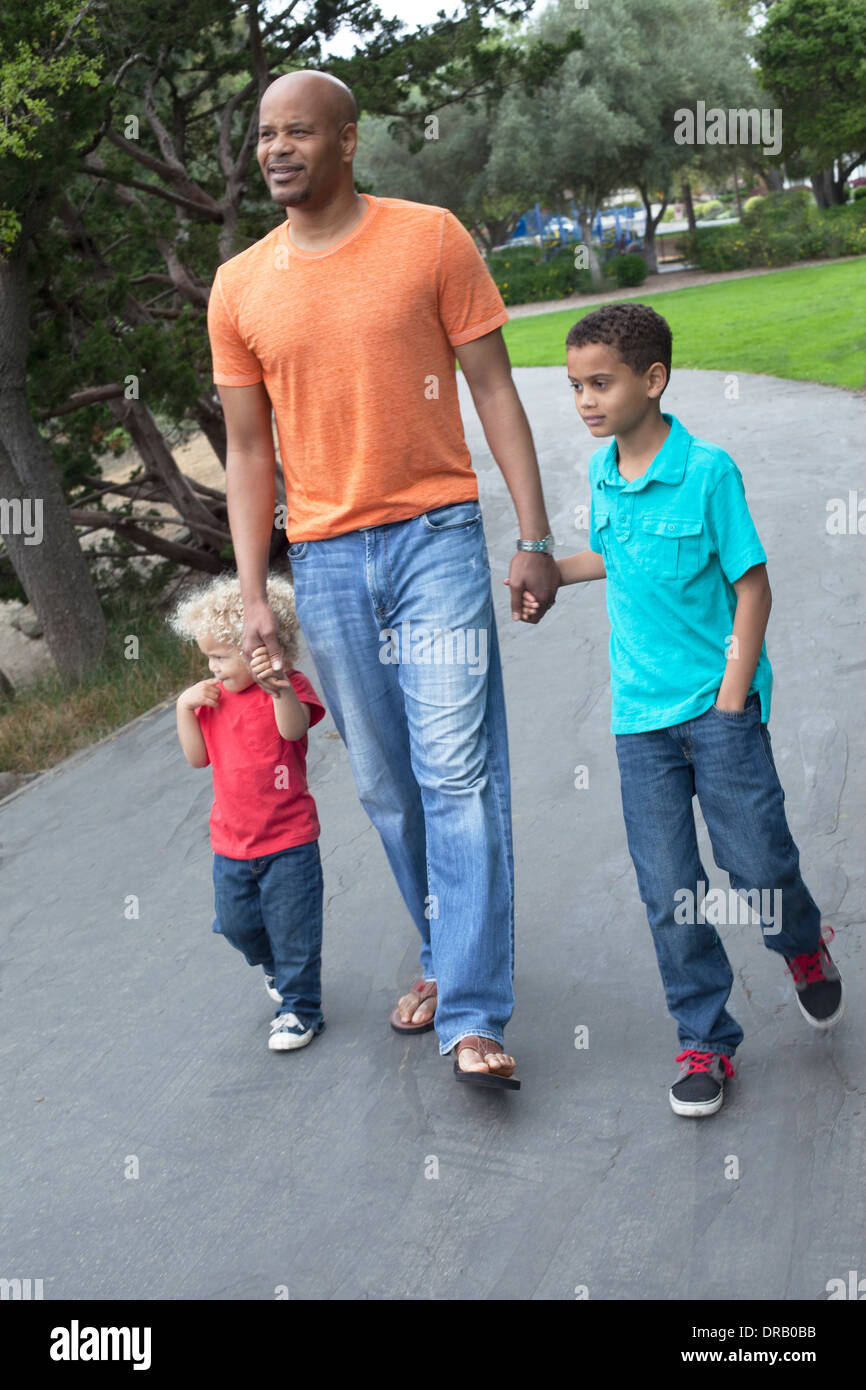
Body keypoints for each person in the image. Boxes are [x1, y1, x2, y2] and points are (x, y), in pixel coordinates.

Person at [206, 69, 560, 1088]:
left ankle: (473, 1011)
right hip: (320, 558)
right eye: (265, 134)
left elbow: (493, 389)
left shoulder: (429, 238)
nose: (276, 149)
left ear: (347, 140)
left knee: (454, 773)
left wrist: (530, 534)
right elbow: (245, 453)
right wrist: (253, 599)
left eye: (298, 131)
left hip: (436, 537)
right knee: (387, 786)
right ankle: (448, 955)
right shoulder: (239, 286)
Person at [519, 303, 844, 1116]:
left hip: (716, 707)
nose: (585, 400)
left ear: (653, 380)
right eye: (574, 387)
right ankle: (704, 1038)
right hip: (641, 722)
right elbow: (615, 555)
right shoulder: (601, 474)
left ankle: (801, 945)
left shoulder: (707, 472)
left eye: (601, 383)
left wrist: (735, 694)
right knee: (669, 885)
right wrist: (556, 572)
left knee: (757, 862)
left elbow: (752, 584)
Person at [171, 575, 326, 1052]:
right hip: (231, 844)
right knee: (237, 925)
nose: (213, 669)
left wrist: (277, 686)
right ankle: (274, 967)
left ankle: (301, 1011)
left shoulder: (288, 688)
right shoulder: (212, 701)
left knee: (295, 931)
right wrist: (183, 707)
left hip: (289, 841)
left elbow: (294, 729)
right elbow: (198, 759)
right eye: (208, 659)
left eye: (221, 656)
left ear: (257, 648)